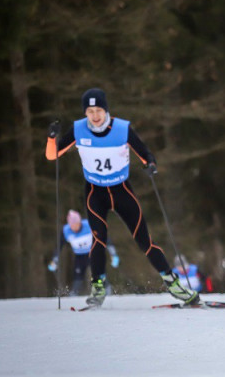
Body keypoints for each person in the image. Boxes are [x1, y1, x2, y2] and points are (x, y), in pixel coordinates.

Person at [45, 88, 199, 307]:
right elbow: (53, 155)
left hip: (121, 191)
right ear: (85, 113)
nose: (95, 115)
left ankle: (173, 284)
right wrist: (52, 137)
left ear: (106, 110)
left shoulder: (121, 129)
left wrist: (150, 164)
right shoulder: (79, 130)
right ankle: (98, 287)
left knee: (145, 241)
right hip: (94, 192)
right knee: (98, 239)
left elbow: (144, 152)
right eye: (90, 111)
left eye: (99, 110)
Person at [48, 209, 120, 296]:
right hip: (79, 256)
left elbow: (104, 238)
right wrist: (55, 260)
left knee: (98, 273)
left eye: (76, 224)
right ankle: (74, 295)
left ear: (80, 222)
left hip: (93, 253)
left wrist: (113, 253)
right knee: (77, 276)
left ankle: (106, 291)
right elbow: (59, 246)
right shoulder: (66, 231)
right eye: (72, 225)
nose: (74, 227)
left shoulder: (89, 225)